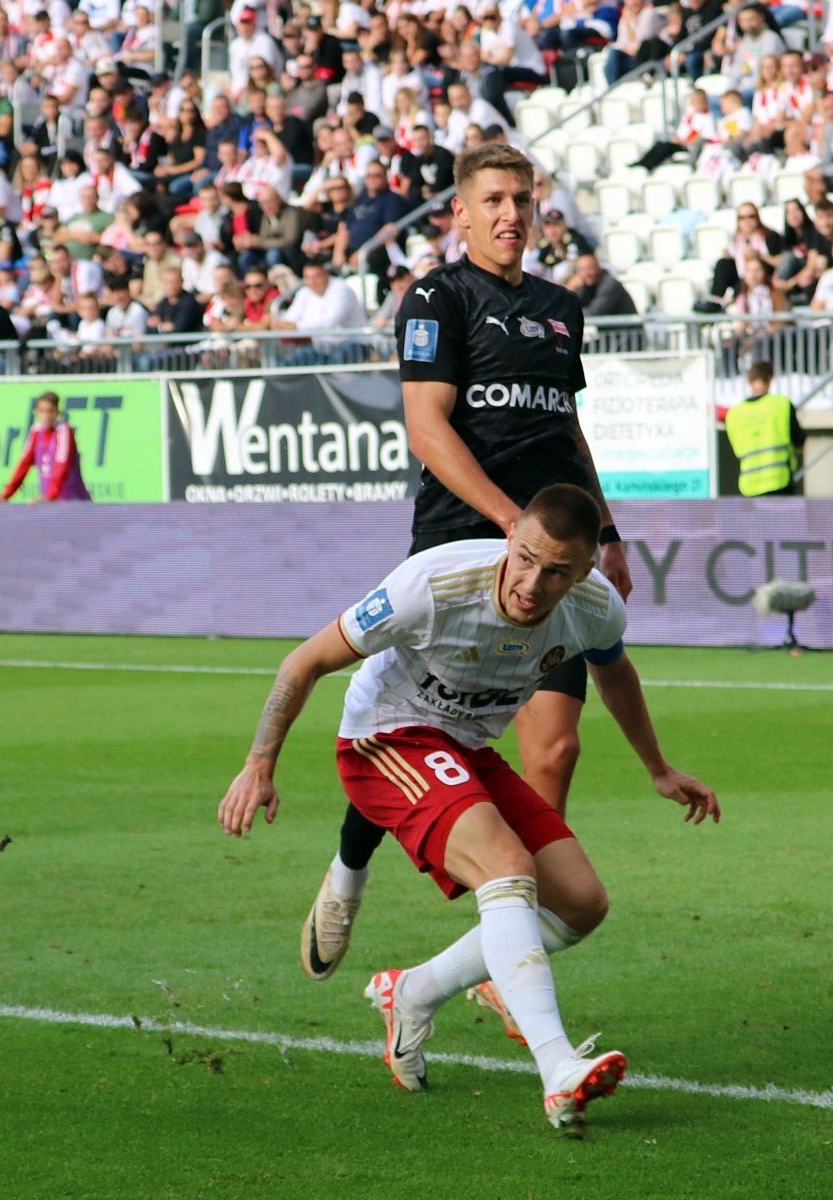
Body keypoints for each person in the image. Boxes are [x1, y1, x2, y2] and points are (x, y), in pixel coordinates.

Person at [218, 483, 718, 1128]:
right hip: (386, 737)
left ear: (584, 572)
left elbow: (615, 672)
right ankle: (557, 1068)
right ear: (510, 538)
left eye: (557, 571)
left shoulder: (596, 607)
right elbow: (306, 660)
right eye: (526, 558)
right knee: (508, 867)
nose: (532, 584)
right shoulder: (432, 585)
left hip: (468, 748)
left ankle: (413, 992)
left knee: (580, 905)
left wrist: (659, 768)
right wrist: (259, 764)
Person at [301, 144, 636, 987]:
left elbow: (568, 431)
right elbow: (426, 428)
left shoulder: (562, 308)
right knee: (412, 726)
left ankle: (510, 947)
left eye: (522, 199)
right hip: (460, 551)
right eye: (493, 200)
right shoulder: (438, 297)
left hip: (547, 567)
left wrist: (607, 532)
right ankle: (348, 871)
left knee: (555, 750)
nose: (510, 214)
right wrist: (507, 521)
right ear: (461, 212)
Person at [0, 391, 92, 504]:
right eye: (42, 411)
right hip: (51, 504)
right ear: (36, 413)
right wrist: (4, 496)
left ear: (58, 413)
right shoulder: (36, 432)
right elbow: (24, 465)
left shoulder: (64, 431)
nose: (46, 416)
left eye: (50, 411)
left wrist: (50, 497)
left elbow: (61, 467)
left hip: (75, 503)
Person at [725, 361, 806, 497]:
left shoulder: (734, 413)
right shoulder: (782, 404)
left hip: (749, 485)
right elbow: (800, 443)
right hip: (780, 482)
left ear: (749, 380)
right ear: (770, 378)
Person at [567, 252, 638, 316]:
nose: (587, 273)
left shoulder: (610, 284)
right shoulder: (586, 285)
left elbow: (594, 313)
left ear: (598, 267)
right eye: (582, 270)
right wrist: (570, 289)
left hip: (624, 326)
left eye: (590, 268)